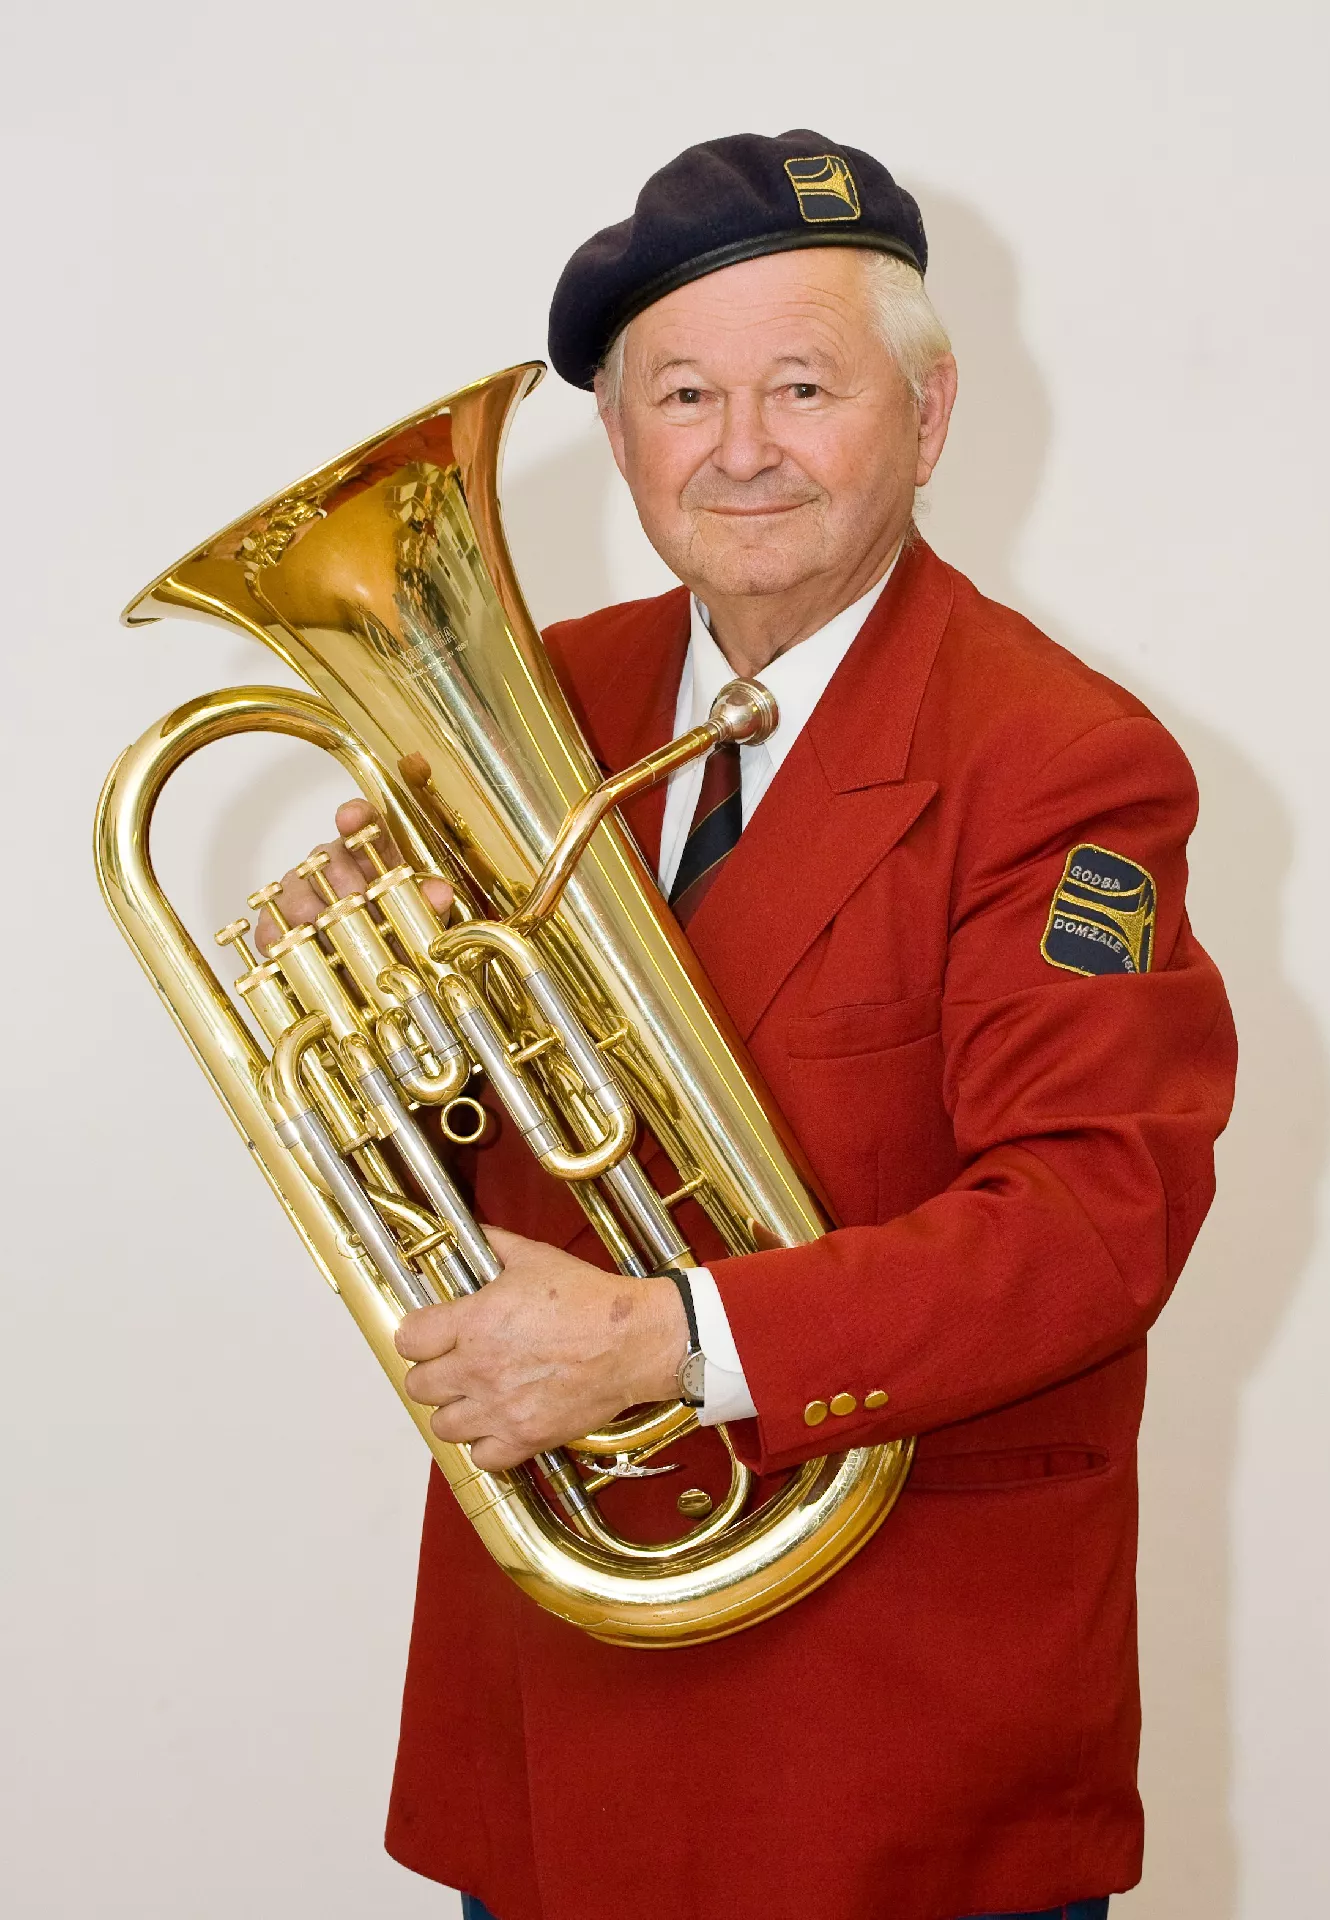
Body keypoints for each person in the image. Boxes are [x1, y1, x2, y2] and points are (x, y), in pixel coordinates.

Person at [260, 131, 1236, 1920]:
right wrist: (385, 1019)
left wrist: (662, 1342)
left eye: (803, 386)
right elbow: (503, 1158)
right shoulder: (546, 695)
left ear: (926, 420)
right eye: (683, 394)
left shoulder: (1058, 759)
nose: (741, 448)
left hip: (888, 1725)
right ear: (621, 441)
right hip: (559, 1687)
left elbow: (1095, 1221)